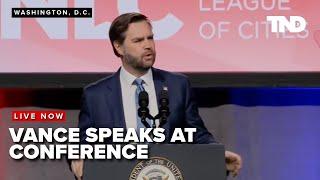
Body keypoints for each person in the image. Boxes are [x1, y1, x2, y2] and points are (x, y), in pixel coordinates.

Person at [71, 12, 242, 180]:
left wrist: (215, 154)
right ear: (118, 47)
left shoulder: (177, 85)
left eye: (150, 38)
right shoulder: (96, 95)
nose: (148, 45)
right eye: (138, 40)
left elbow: (197, 134)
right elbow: (83, 141)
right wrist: (77, 156)